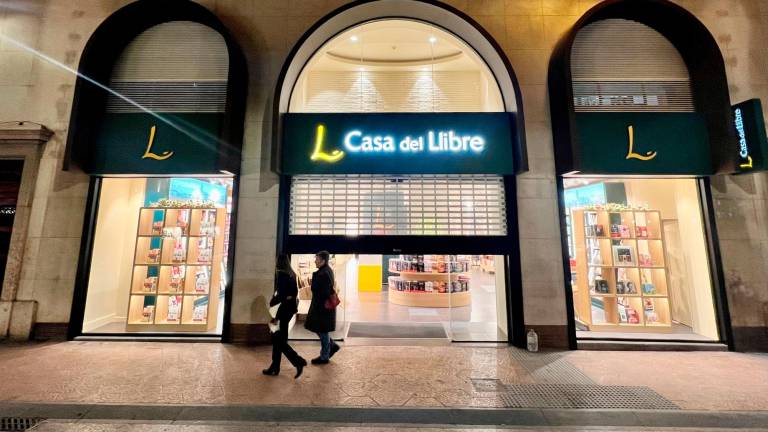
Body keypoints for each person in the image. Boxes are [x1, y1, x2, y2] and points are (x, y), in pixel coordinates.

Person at [263, 254, 307, 378]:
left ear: (279, 262)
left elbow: (281, 295)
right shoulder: (292, 274)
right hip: (289, 310)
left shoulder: (282, 275)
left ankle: (298, 361)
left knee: (278, 340)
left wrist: (272, 301)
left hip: (281, 311)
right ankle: (275, 367)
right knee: (279, 339)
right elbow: (293, 293)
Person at [304, 250, 340, 364]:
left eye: (317, 259)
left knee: (322, 330)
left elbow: (323, 292)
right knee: (320, 330)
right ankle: (332, 345)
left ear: (323, 261)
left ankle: (324, 356)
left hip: (322, 308)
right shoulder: (325, 271)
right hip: (322, 307)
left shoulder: (323, 273)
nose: (315, 261)